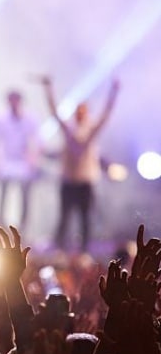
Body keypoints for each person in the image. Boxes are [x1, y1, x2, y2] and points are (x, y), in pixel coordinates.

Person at [41, 76, 120, 251]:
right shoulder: (69, 130)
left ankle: (84, 251)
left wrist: (114, 92)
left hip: (85, 181)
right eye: (78, 111)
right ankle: (59, 249)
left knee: (85, 218)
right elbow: (54, 112)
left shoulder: (91, 129)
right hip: (68, 180)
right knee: (64, 218)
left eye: (83, 111)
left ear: (86, 113)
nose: (80, 114)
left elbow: (106, 114)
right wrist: (48, 90)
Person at [0, 90, 41, 228]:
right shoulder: (0, 119)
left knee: (25, 196)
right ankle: (0, 224)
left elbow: (36, 140)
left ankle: (23, 226)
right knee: (3, 194)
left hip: (24, 164)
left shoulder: (30, 119)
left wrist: (33, 159)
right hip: (6, 162)